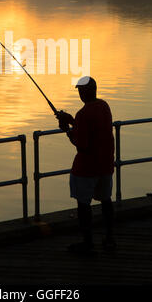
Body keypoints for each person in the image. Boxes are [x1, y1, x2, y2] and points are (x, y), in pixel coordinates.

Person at [56, 76, 116, 255]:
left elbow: (81, 143)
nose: (80, 93)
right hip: (105, 164)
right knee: (106, 200)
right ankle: (110, 237)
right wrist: (72, 121)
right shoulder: (104, 106)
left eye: (80, 90)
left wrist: (67, 130)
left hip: (87, 168)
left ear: (83, 92)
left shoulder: (83, 114)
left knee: (83, 205)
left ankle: (88, 242)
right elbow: (92, 128)